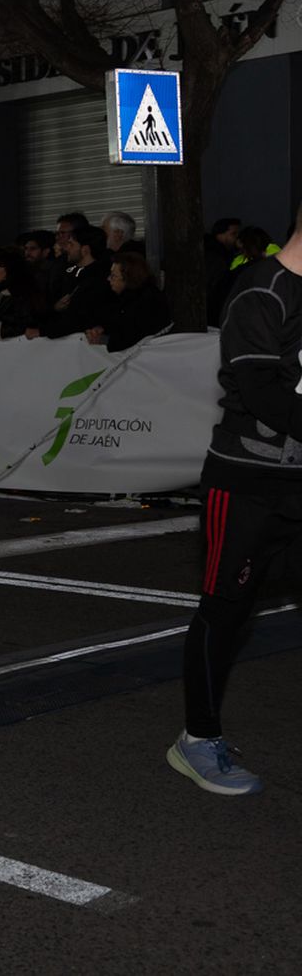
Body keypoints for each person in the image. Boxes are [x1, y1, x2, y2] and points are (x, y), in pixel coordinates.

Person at [167, 202, 302, 795]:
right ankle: (198, 739)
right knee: (226, 612)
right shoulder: (261, 290)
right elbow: (261, 391)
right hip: (245, 481)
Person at [86, 251, 172, 352]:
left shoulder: (145, 302)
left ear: (127, 278)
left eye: (113, 276)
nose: (109, 279)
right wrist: (102, 328)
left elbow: (129, 337)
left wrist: (102, 340)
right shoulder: (130, 297)